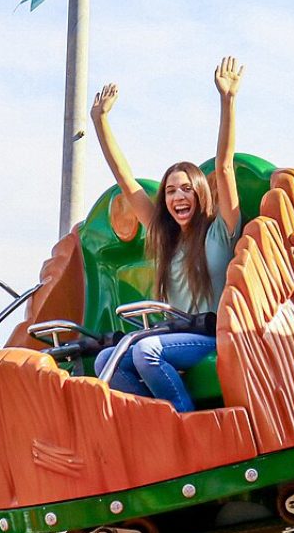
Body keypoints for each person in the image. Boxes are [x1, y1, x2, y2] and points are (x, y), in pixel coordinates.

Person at [91, 56, 245, 412]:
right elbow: (126, 184)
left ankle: (185, 423)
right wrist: (100, 123)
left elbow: (224, 166)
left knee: (147, 351)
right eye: (172, 190)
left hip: (213, 336)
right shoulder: (167, 239)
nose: (178, 196)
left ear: (200, 194)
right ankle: (158, 423)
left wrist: (228, 100)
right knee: (105, 363)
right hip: (175, 335)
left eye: (186, 189)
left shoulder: (221, 232)